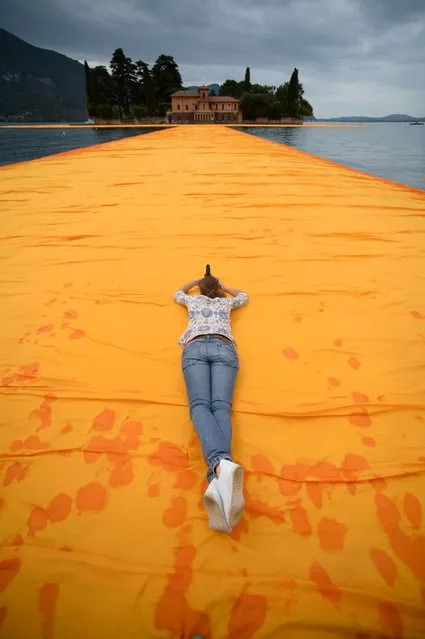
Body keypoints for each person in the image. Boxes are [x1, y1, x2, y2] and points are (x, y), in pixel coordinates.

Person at [174, 269, 249, 533]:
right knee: (221, 407)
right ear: (216, 289)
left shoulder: (194, 300)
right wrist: (223, 286)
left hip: (195, 347)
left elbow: (177, 293)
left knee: (199, 407)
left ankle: (218, 465)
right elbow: (244, 296)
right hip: (224, 347)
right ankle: (219, 477)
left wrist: (196, 282)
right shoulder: (225, 302)